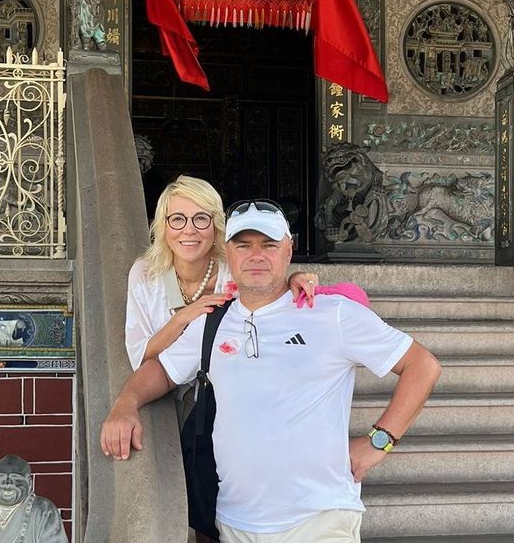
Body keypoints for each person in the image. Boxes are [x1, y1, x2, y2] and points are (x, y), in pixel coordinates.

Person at [104, 200, 442, 542]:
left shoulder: (332, 313)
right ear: (228, 252)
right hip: (235, 522)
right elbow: (162, 370)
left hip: (320, 519)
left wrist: (379, 442)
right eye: (243, 245)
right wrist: (125, 404)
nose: (256, 256)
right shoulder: (211, 322)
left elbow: (421, 365)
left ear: (288, 249)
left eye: (268, 245)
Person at [126, 176, 322, 371]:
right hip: (164, 385)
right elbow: (140, 357)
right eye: (177, 219)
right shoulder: (146, 274)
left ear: (216, 226)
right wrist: (182, 318)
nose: (189, 230)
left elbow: (271, 302)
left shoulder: (235, 269)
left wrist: (293, 279)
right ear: (163, 226)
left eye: (201, 218)